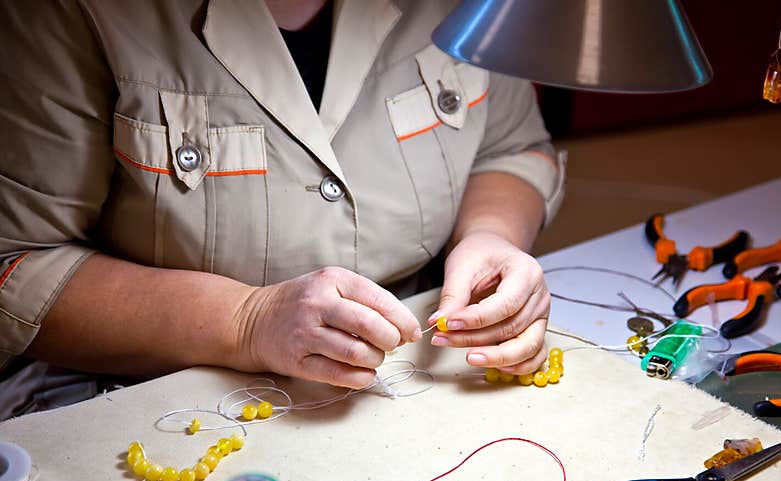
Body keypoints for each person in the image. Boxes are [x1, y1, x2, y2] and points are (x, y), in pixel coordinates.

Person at [0, 0, 566, 420]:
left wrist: (492, 237)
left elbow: (510, 149)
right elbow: (18, 264)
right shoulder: (70, 14)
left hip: (417, 369)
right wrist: (245, 319)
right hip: (151, 391)